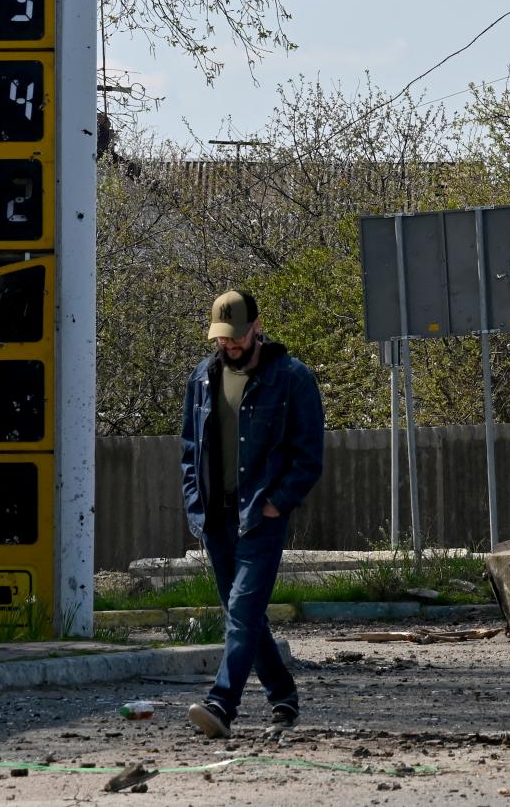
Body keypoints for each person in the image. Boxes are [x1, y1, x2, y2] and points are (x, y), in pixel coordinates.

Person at [180, 289, 324, 738]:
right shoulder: (201, 378)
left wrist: (277, 502)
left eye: (238, 336)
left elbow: (308, 456)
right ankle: (283, 694)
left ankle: (221, 704)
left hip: (261, 515)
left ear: (257, 328)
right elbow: (190, 449)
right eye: (222, 337)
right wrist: (193, 501)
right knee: (246, 614)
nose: (230, 344)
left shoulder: (292, 378)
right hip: (216, 517)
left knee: (242, 611)